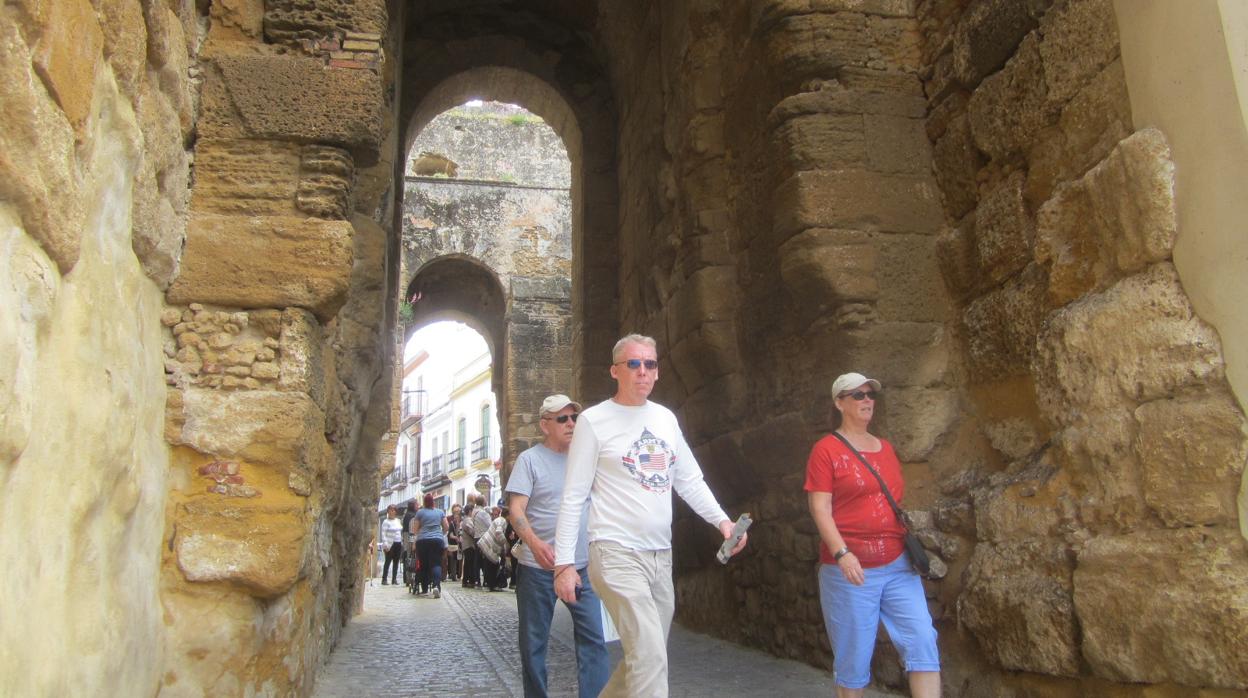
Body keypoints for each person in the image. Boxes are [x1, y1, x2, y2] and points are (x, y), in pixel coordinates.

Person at [554, 334, 747, 697]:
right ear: (615, 371)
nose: (643, 371)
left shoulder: (665, 419)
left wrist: (723, 522)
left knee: (645, 656)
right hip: (615, 554)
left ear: (657, 372)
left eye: (650, 364)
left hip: (660, 557)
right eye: (633, 364)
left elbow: (688, 479)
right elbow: (574, 495)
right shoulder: (594, 422)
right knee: (650, 657)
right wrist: (564, 563)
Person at [805, 372, 940, 698]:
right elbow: (820, 508)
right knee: (854, 657)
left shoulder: (887, 448)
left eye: (870, 395)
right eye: (858, 395)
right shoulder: (825, 451)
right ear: (840, 403)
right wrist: (841, 552)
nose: (867, 401)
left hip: (897, 564)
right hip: (851, 570)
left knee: (923, 640)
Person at [507, 394, 610, 698]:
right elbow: (516, 510)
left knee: (595, 638)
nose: (570, 424)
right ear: (545, 425)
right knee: (533, 644)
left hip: (581, 566)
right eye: (562, 419)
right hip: (537, 568)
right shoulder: (530, 460)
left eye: (574, 418)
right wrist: (536, 544)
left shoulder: (587, 458)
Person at [411, 493, 449, 598]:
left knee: (423, 565)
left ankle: (424, 589)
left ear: (424, 502)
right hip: (437, 540)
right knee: (436, 563)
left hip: (422, 541)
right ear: (433, 502)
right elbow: (446, 527)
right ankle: (436, 586)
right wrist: (440, 533)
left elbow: (415, 530)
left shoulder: (420, 513)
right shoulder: (440, 512)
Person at [479, 505, 509, 591]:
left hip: (489, 545)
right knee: (492, 566)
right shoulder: (502, 521)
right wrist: (505, 542)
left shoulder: (500, 520)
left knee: (491, 565)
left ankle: (490, 585)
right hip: (489, 545)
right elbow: (499, 532)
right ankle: (491, 585)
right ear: (507, 515)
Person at [380, 505, 403, 585]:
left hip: (398, 542)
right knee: (388, 561)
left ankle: (394, 579)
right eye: (390, 510)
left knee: (396, 561)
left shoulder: (398, 521)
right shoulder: (386, 522)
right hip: (390, 543)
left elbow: (400, 531)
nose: (391, 512)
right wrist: (385, 544)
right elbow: (383, 534)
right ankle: (384, 579)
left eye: (393, 510)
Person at [446, 503, 463, 582]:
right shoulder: (451, 522)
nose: (456, 514)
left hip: (461, 544)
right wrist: (456, 538)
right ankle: (453, 574)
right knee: (453, 559)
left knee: (460, 559)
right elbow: (450, 534)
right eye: (455, 512)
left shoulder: (462, 522)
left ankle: (460, 574)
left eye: (458, 512)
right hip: (453, 544)